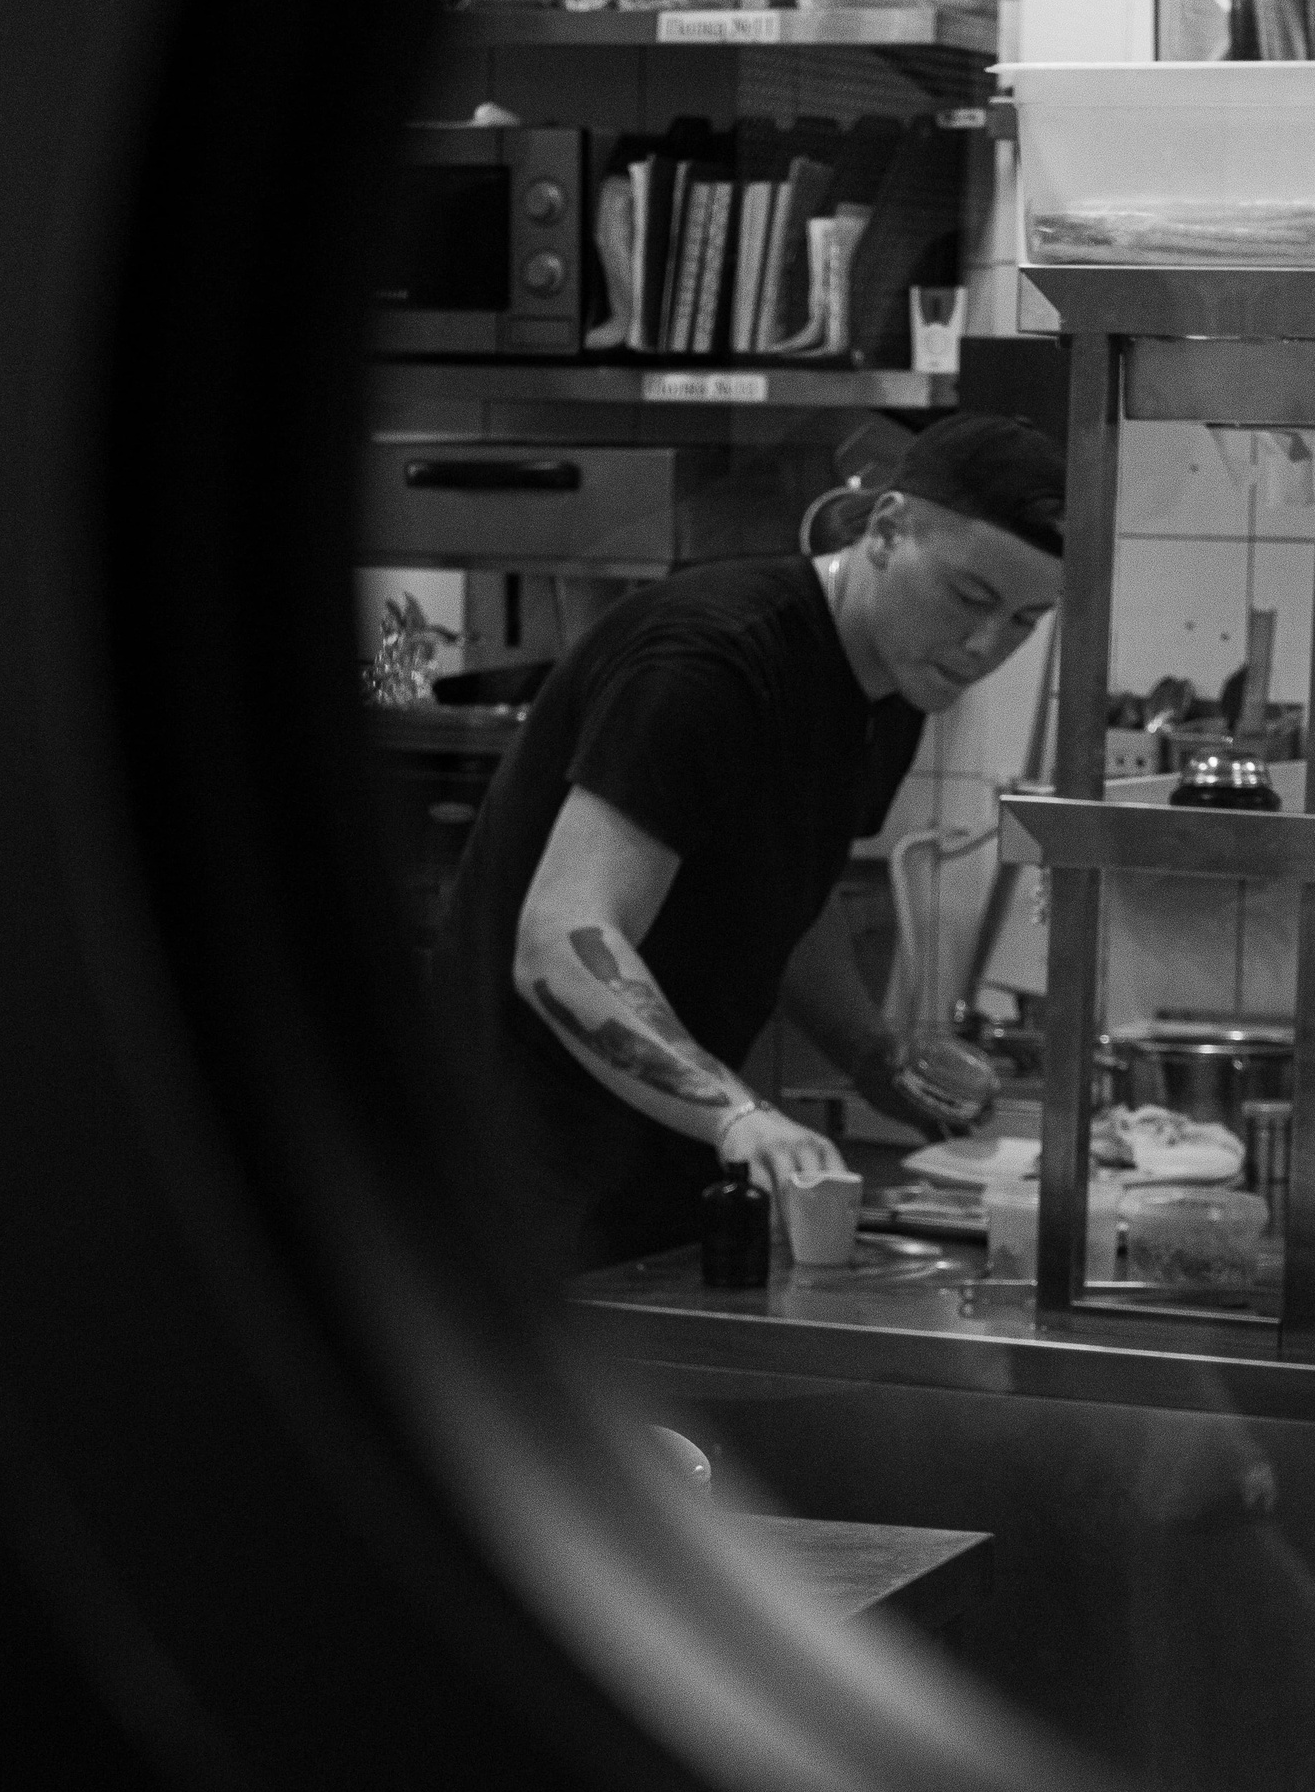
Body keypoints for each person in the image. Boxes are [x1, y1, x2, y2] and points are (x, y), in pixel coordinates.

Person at [430, 413, 1067, 1275]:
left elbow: (787, 894)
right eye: (969, 597)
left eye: (1025, 620)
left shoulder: (893, 685)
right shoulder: (709, 663)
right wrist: (739, 1115)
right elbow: (561, 946)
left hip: (655, 1168)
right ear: (886, 532)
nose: (986, 646)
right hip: (507, 1177)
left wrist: (872, 1058)